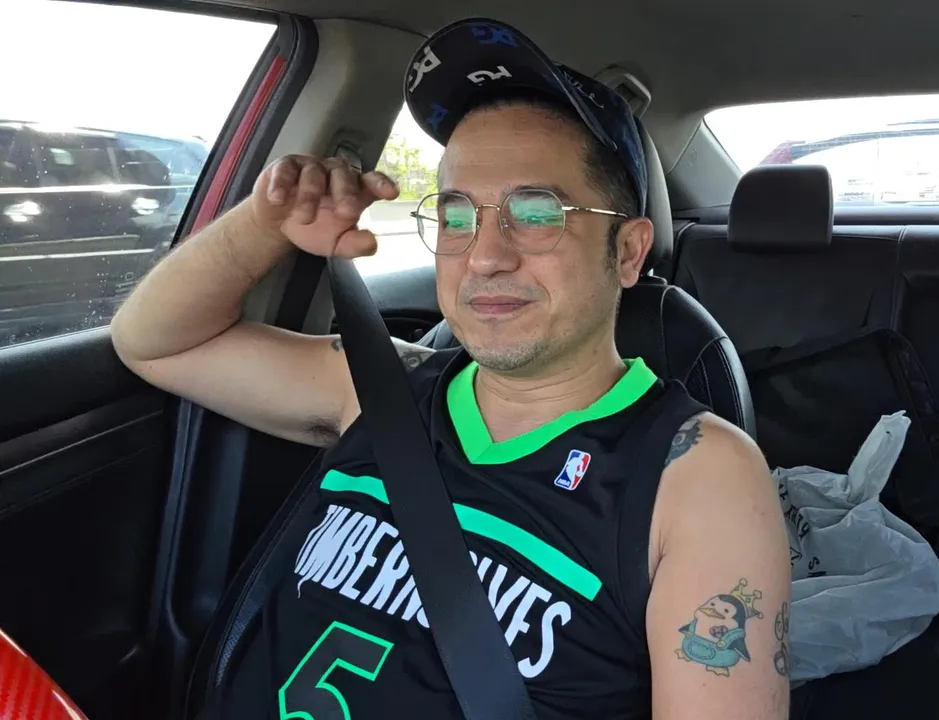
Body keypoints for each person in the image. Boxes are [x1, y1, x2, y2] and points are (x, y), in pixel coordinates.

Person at [110, 16, 790, 720]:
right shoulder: (378, 388)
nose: (485, 256)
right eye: (459, 216)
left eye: (537, 213)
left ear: (626, 251)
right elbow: (154, 342)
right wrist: (262, 224)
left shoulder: (696, 478)